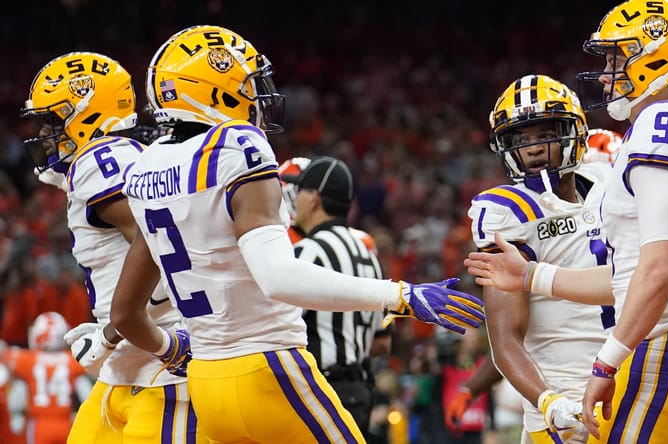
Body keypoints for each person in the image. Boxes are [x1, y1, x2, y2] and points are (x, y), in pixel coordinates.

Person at [108, 25, 484, 444]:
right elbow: (278, 277)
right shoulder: (236, 146)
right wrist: (400, 295)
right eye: (247, 85)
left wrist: (167, 347)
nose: (256, 97)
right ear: (213, 89)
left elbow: (124, 313)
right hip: (269, 370)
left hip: (207, 382)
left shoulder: (145, 168)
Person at [465, 1, 668, 442]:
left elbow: (660, 269)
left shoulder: (658, 125)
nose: (606, 74)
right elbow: (631, 277)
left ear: (655, 56)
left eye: (615, 59)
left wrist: (607, 361)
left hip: (667, 350)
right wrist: (531, 275)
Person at [20, 51, 202, 443]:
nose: (47, 132)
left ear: (85, 114)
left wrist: (113, 330)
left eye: (54, 119)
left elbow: (158, 244)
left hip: (162, 372)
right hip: (125, 370)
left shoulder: (100, 159)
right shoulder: (120, 156)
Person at [466, 74, 611, 443]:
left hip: (632, 382)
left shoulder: (608, 182)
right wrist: (549, 401)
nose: (531, 149)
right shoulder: (505, 212)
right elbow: (505, 337)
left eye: (544, 135)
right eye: (520, 140)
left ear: (574, 134)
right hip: (570, 402)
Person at [284, 155, 392, 436]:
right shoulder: (368, 252)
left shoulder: (306, 252)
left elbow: (277, 330)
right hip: (360, 390)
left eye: (301, 191)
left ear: (314, 198)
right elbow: (383, 341)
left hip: (319, 391)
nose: (295, 199)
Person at [5, 312, 92, 444]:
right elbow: (88, 396)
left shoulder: (28, 361)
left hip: (39, 424)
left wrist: (16, 416)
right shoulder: (72, 360)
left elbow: (17, 397)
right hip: (66, 422)